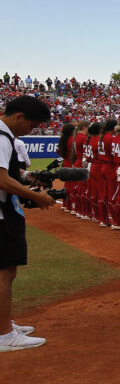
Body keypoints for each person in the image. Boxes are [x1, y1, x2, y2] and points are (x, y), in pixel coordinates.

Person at [0, 96, 56, 352]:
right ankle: (4, 334)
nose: (31, 131)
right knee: (5, 272)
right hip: (2, 214)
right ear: (19, 116)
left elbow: (9, 174)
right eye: (32, 126)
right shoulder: (2, 135)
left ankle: (3, 324)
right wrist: (35, 195)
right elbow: (1, 180)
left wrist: (28, 176)